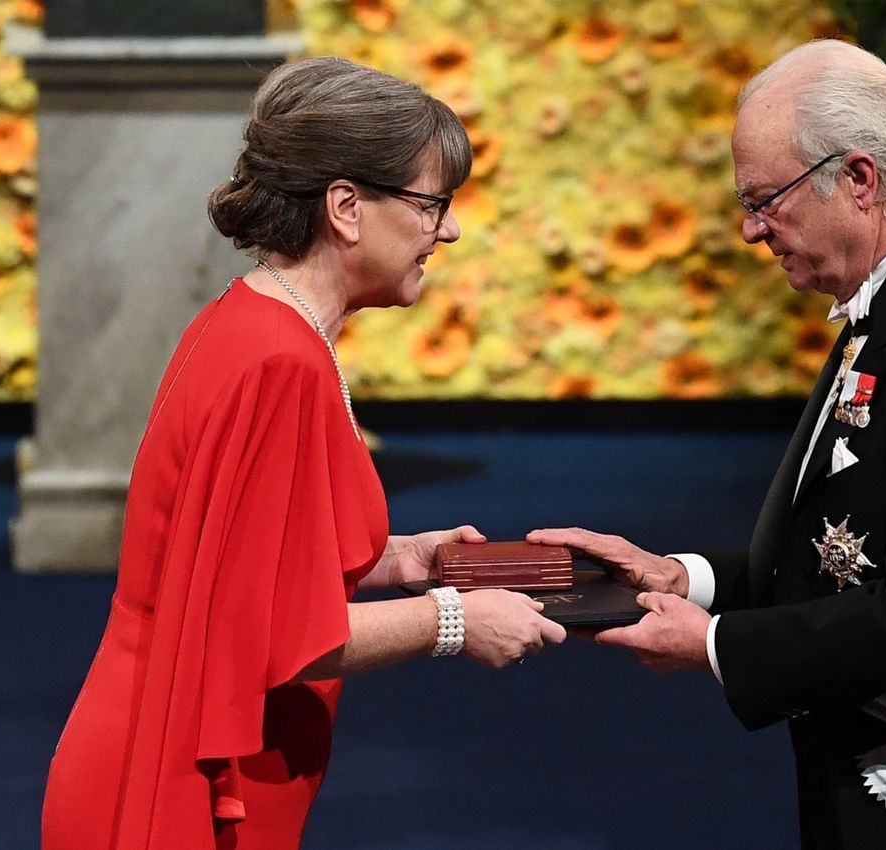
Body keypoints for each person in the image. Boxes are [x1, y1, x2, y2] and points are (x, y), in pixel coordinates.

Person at [530, 39, 886, 849]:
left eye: (767, 199)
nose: (750, 229)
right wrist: (679, 577)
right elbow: (847, 548)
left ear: (860, 180)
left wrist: (717, 645)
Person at [41, 57, 566, 850]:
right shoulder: (280, 362)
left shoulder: (254, 323)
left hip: (167, 742)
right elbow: (281, 641)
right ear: (347, 208)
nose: (449, 230)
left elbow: (241, 564)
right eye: (433, 203)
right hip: (171, 779)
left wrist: (398, 559)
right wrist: (453, 620)